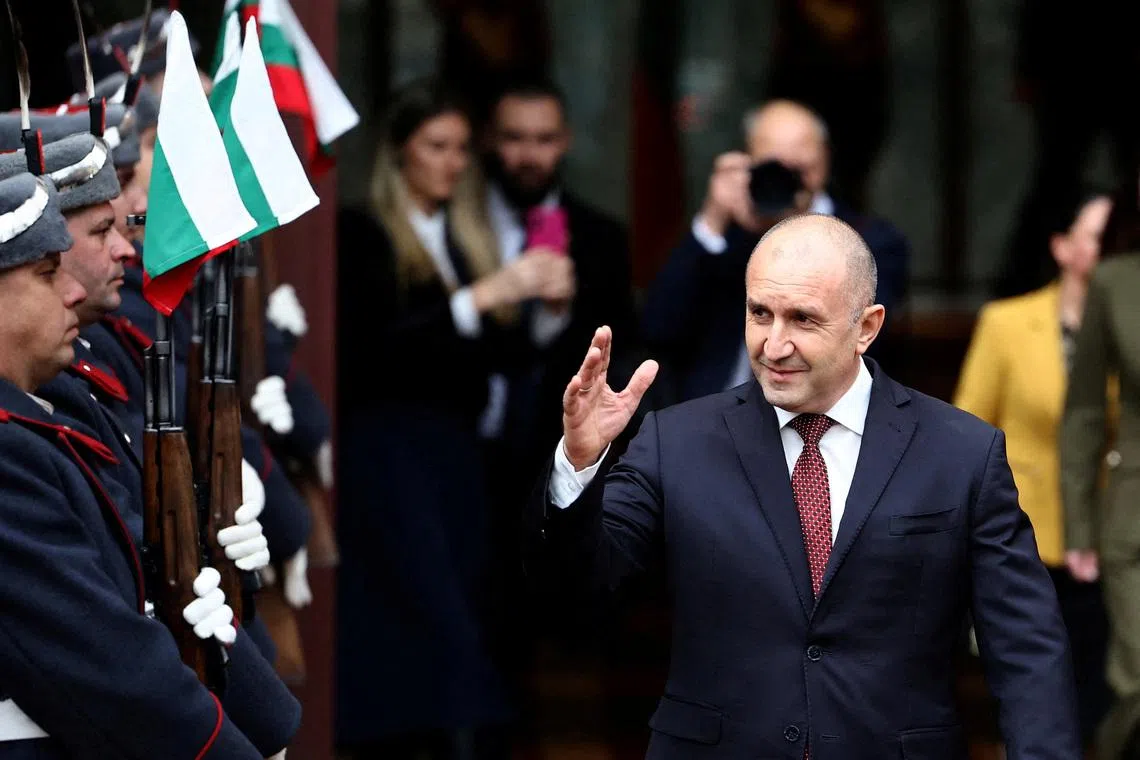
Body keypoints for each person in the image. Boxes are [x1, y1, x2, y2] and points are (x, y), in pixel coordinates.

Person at [528, 213, 1079, 758]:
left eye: (803, 320)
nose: (773, 344)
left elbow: (1026, 649)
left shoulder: (961, 452)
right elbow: (581, 589)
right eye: (759, 313)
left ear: (866, 327)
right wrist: (580, 460)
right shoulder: (678, 440)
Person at [0, 170, 295, 759]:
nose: (74, 293)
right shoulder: (12, 445)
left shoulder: (43, 409)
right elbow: (101, 657)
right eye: (45, 275)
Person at [336, 79, 572, 759]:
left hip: (459, 462)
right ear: (399, 153)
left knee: (463, 621)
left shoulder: (463, 237)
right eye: (436, 146)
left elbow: (497, 357)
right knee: (419, 628)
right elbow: (371, 351)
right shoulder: (364, 231)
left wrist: (544, 310)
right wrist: (481, 299)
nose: (453, 162)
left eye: (463, 148)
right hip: (390, 458)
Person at [955, 190, 1113, 748]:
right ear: (1063, 247)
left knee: (1103, 694)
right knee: (1031, 689)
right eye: (1099, 234)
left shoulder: (1128, 325)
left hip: (1106, 536)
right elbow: (968, 425)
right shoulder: (1007, 321)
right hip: (1023, 533)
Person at [642, 99, 909, 404]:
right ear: (748, 163)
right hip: (713, 410)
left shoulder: (870, 240)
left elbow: (862, 344)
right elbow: (658, 327)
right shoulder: (726, 236)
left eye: (800, 168)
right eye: (773, 167)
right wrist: (713, 222)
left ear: (824, 161)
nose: (788, 179)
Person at [1060, 182, 1140, 759]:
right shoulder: (1115, 281)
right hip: (1133, 516)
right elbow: (1085, 408)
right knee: (1136, 678)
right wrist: (1080, 526)